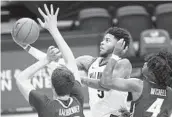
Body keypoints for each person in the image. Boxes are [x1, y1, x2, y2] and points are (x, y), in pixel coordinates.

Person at [13, 4, 133, 117]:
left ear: (120, 45)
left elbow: (106, 85)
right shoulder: (89, 61)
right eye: (103, 39)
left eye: (107, 40)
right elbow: (62, 66)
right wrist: (27, 48)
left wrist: (80, 79)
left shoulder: (123, 64)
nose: (102, 42)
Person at [99, 43, 172, 117]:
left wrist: (115, 55)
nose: (145, 63)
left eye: (148, 63)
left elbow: (105, 81)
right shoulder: (170, 92)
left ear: (151, 73)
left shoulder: (138, 85)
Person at [15, 46, 85, 117]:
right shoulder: (78, 99)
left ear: (52, 86)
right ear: (72, 83)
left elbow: (21, 79)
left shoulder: (46, 107)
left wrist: (47, 59)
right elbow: (71, 62)